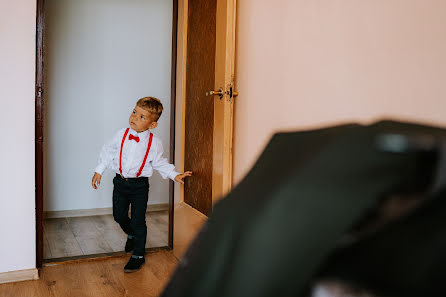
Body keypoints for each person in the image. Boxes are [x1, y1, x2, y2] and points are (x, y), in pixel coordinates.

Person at [91, 96, 192, 272]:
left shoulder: (155, 143)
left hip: (139, 187)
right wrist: (99, 170)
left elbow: (159, 163)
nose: (134, 118)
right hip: (120, 183)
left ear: (152, 125)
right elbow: (108, 151)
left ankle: (138, 254)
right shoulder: (121, 134)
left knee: (138, 220)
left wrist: (175, 175)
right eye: (134, 112)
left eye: (141, 117)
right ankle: (131, 233)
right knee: (118, 216)